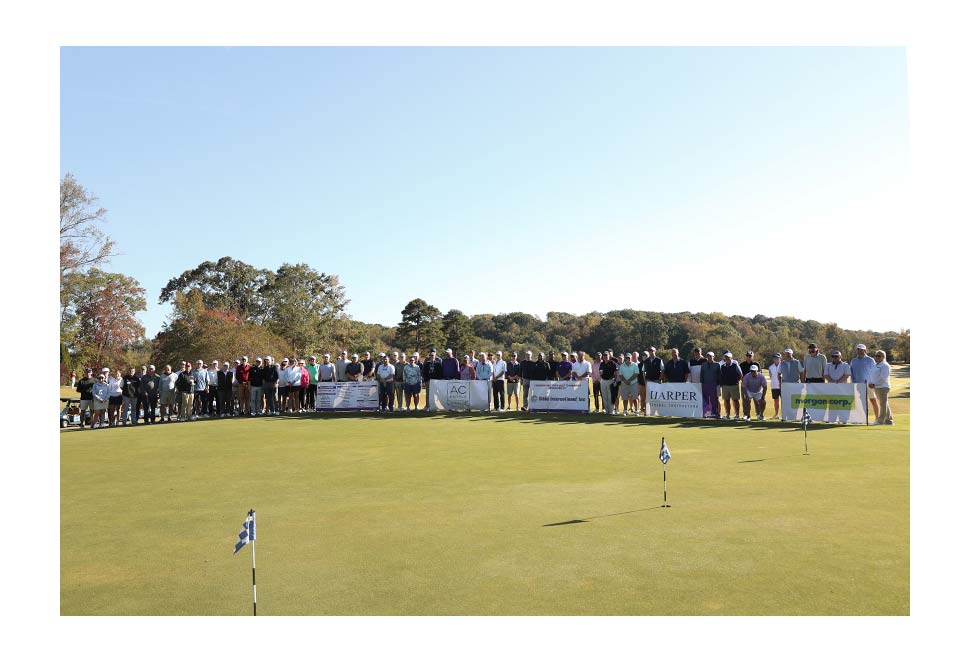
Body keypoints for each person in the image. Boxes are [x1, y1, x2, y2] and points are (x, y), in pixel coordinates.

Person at [850, 343, 880, 419]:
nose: (859, 351)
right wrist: (852, 383)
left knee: (873, 400)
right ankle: (862, 419)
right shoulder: (853, 360)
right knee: (860, 403)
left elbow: (875, 372)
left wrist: (873, 382)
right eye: (858, 349)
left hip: (869, 384)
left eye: (860, 349)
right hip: (858, 385)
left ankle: (878, 418)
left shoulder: (870, 360)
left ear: (864, 350)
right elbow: (852, 373)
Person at [869, 350, 894, 425]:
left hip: (883, 387)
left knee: (883, 404)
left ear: (883, 357)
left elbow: (883, 377)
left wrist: (874, 384)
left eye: (879, 356)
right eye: (876, 356)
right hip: (877, 386)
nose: (877, 357)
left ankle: (880, 421)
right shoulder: (876, 365)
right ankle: (889, 421)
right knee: (884, 403)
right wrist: (871, 383)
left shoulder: (885, 365)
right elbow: (872, 375)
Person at [719, 352, 743, 420]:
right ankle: (727, 414)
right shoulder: (722, 366)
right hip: (725, 385)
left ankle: (737, 415)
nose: (727, 358)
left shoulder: (735, 365)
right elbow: (721, 376)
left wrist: (737, 381)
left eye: (728, 357)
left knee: (735, 400)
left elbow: (740, 375)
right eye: (726, 357)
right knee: (726, 400)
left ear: (731, 358)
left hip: (734, 385)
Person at [739, 351, 760, 421]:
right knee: (745, 401)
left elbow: (759, 374)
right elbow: (740, 375)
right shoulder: (742, 365)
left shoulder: (756, 364)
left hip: (755, 385)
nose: (749, 357)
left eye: (750, 356)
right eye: (748, 356)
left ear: (752, 357)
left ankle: (759, 414)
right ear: (746, 356)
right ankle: (746, 415)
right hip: (745, 386)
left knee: (757, 400)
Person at [701, 352, 721, 418]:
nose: (709, 357)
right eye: (708, 356)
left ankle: (715, 413)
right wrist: (702, 383)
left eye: (711, 356)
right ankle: (706, 413)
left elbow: (719, 375)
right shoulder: (703, 364)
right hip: (705, 385)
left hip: (714, 385)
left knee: (714, 400)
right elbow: (702, 375)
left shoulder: (717, 364)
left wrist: (718, 384)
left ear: (713, 356)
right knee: (705, 400)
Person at [598, 350, 618, 414]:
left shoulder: (612, 363)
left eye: (606, 355)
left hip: (610, 380)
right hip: (603, 381)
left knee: (610, 396)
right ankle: (606, 410)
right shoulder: (602, 364)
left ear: (609, 356)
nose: (605, 357)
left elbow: (615, 372)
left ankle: (611, 410)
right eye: (604, 355)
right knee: (604, 396)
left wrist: (615, 380)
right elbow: (600, 372)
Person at [767, 353, 783, 419]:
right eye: (775, 358)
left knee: (784, 401)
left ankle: (785, 415)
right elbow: (771, 376)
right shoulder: (771, 367)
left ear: (780, 358)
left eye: (777, 358)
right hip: (774, 386)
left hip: (783, 386)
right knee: (776, 401)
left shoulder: (783, 365)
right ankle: (776, 414)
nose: (776, 359)